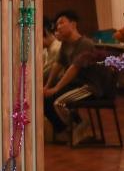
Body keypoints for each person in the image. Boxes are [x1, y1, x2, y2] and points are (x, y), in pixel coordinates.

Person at [43, 10, 102, 144]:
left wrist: (56, 88)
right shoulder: (66, 44)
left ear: (73, 24)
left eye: (61, 23)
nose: (58, 27)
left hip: (88, 86)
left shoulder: (85, 43)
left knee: (59, 102)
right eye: (57, 25)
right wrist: (47, 86)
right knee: (43, 99)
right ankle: (65, 131)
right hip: (74, 84)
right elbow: (57, 65)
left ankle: (79, 124)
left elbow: (74, 69)